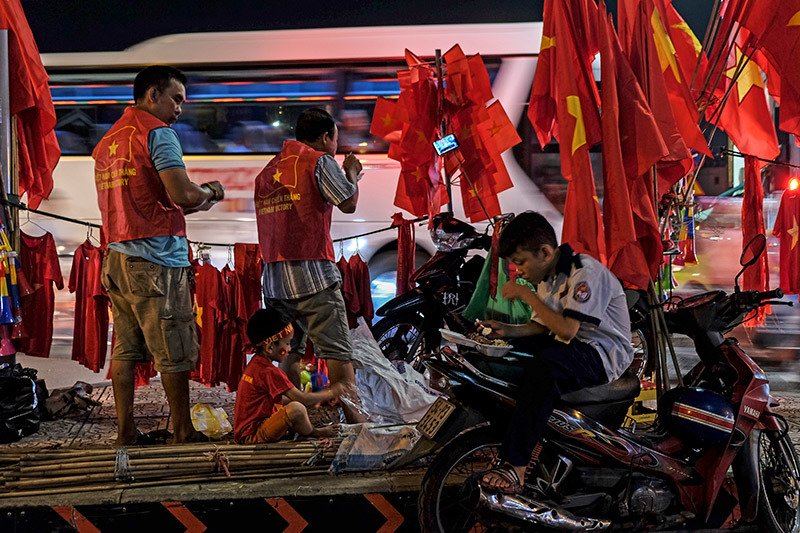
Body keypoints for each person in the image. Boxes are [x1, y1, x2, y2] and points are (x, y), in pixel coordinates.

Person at [93, 66, 225, 446]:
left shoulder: (108, 141)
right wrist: (211, 193)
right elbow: (182, 195)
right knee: (174, 348)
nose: (180, 109)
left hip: (116, 257)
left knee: (126, 348)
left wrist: (191, 201)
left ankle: (126, 433)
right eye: (176, 99)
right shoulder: (158, 134)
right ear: (153, 94)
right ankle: (183, 431)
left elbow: (152, 199)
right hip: (156, 260)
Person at [479, 211, 634, 493]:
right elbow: (540, 327)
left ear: (545, 252)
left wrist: (526, 295)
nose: (519, 271)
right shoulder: (548, 277)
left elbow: (566, 330)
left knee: (543, 369)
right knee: (507, 355)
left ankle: (517, 466)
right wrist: (503, 330)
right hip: (569, 344)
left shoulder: (585, 273)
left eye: (520, 262)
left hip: (602, 354)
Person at [253, 107, 366, 423]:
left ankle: (293, 413)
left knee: (290, 352)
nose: (335, 147)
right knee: (337, 352)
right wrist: (352, 172)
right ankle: (360, 427)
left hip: (275, 280)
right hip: (314, 277)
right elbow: (348, 201)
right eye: (335, 140)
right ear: (327, 136)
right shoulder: (318, 161)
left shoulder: (268, 170)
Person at [234, 308, 341, 444]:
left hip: (245, 431)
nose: (290, 349)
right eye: (287, 343)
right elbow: (302, 399)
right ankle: (315, 432)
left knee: (288, 402)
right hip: (252, 436)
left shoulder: (256, 364)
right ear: (270, 347)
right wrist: (334, 391)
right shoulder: (269, 371)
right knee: (297, 409)